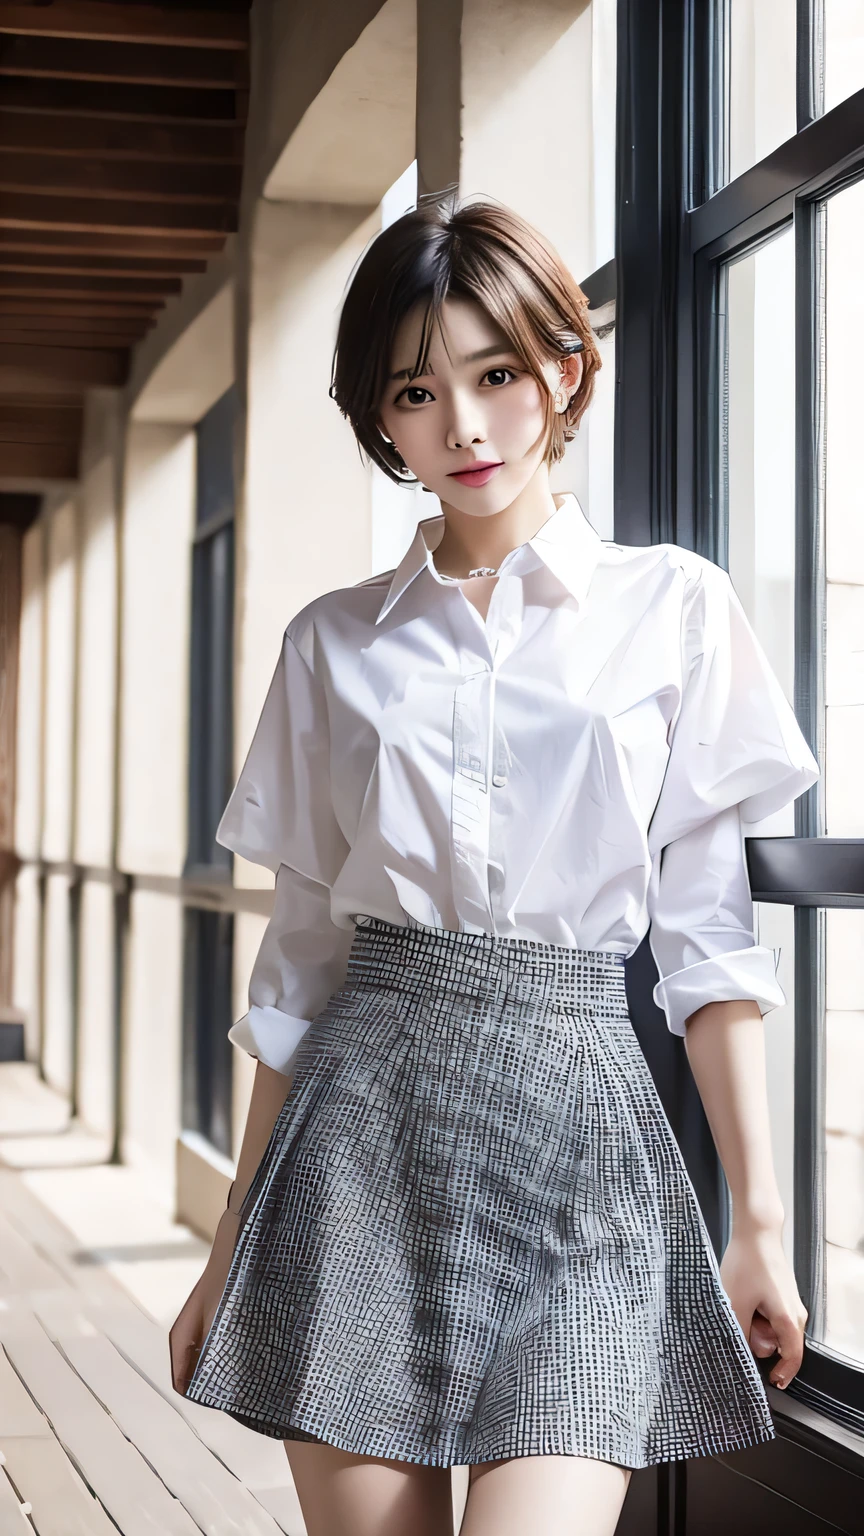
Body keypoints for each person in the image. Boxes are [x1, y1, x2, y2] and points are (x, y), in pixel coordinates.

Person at [169, 193, 820, 1536]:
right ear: (381, 419)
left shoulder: (675, 609)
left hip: (581, 1147)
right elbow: (298, 967)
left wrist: (758, 1219)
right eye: (417, 390)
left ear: (564, 370)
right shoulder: (331, 643)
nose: (463, 425)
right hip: (357, 1147)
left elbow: (707, 944)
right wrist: (233, 1244)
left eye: (498, 373)